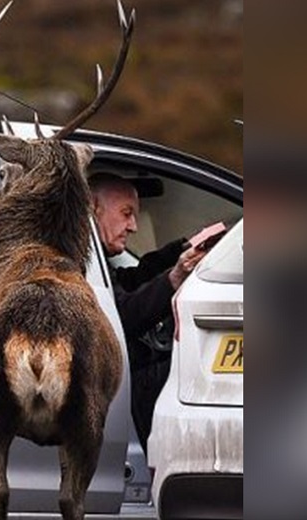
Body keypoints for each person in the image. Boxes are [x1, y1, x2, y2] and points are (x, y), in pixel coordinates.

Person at [89, 173, 207, 454]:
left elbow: (128, 282)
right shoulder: (75, 257)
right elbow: (118, 317)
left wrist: (180, 251)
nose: (133, 226)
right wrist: (174, 278)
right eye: (126, 213)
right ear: (93, 209)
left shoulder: (93, 258)